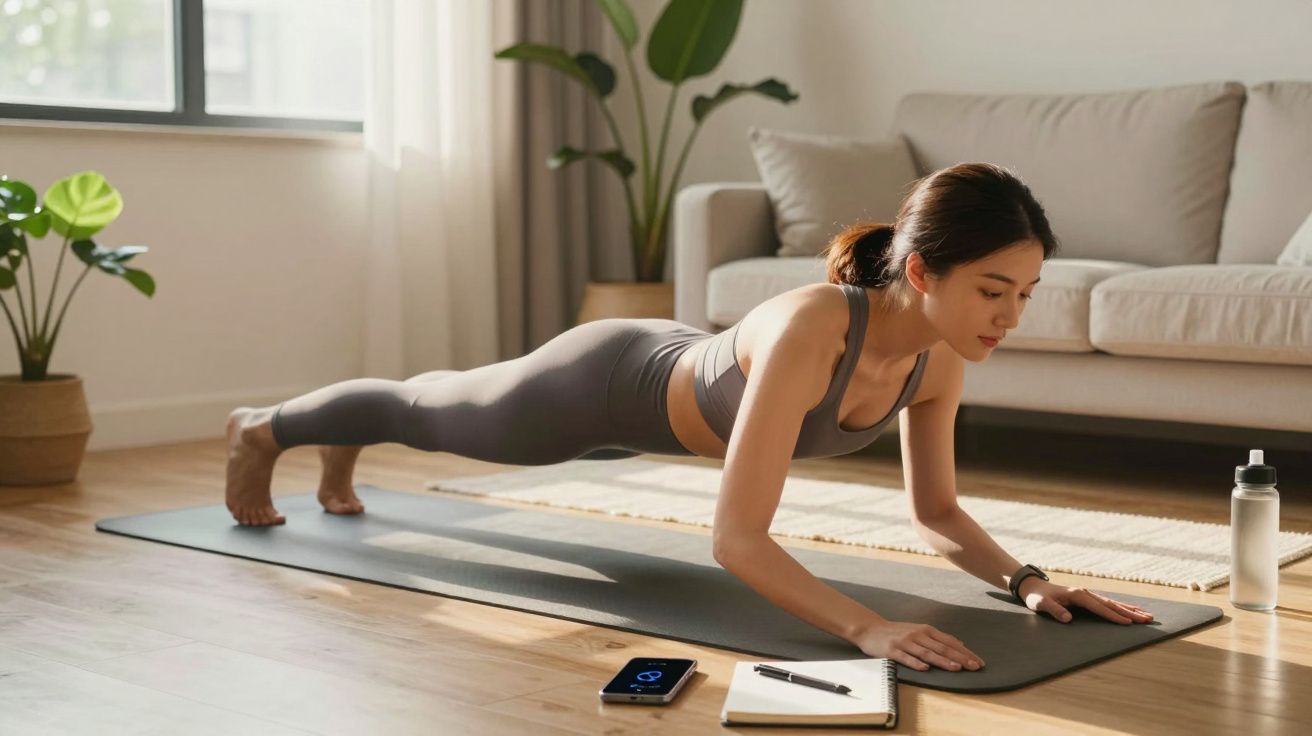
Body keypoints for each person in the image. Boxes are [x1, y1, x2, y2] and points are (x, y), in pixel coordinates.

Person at [224, 162, 1153, 673]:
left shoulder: (939, 359)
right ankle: (263, 429)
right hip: (602, 383)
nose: (1011, 317)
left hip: (671, 378)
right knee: (425, 409)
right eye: (994, 290)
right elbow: (737, 541)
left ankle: (337, 439)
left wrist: (1029, 581)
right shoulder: (811, 329)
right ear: (921, 273)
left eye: (1026, 294)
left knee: (424, 407)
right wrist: (865, 628)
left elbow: (936, 513)